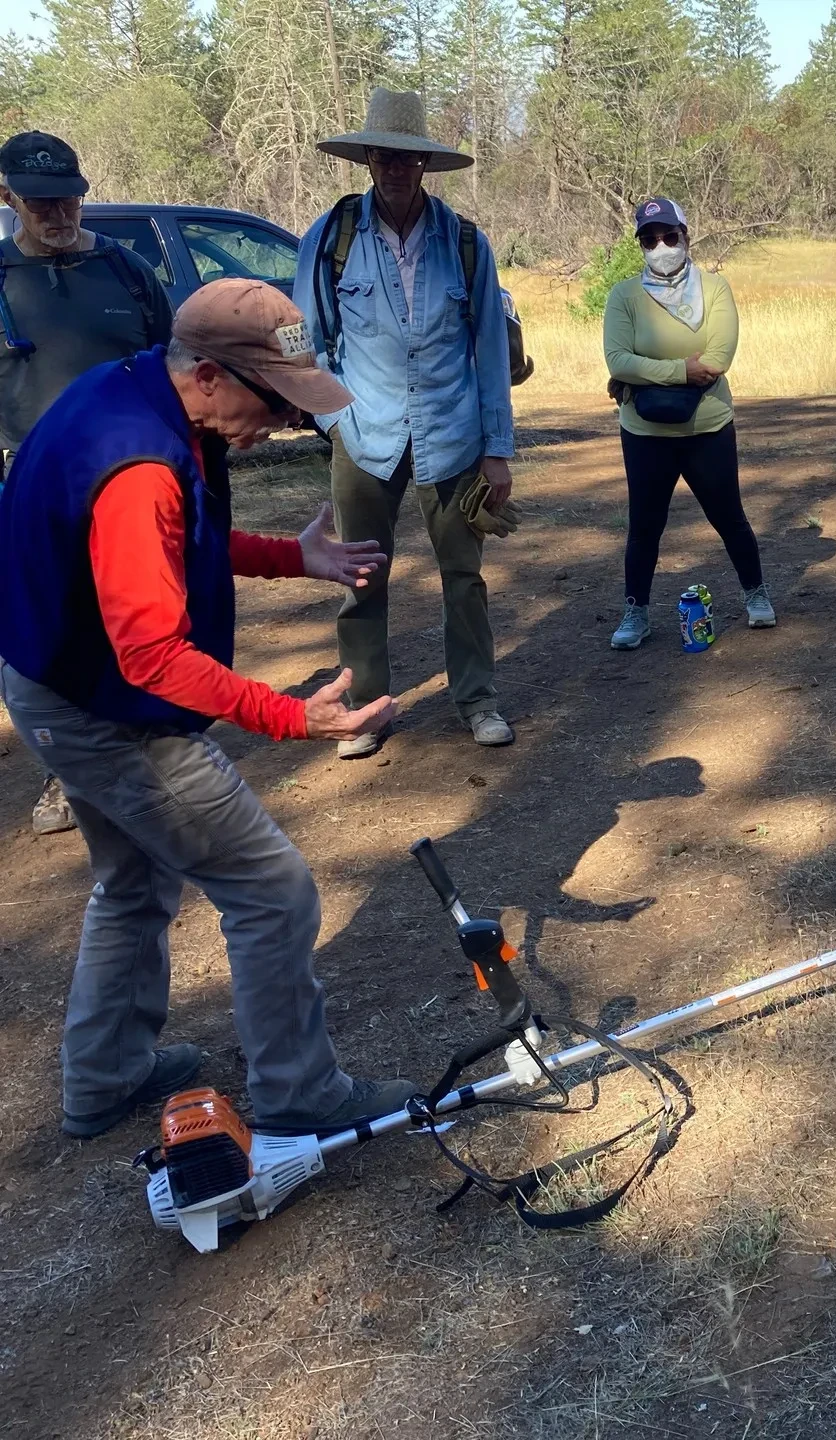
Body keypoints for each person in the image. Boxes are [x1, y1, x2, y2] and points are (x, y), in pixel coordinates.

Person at [0, 278, 413, 1139]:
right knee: (272, 890)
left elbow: (176, 540)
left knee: (133, 880)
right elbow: (150, 656)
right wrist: (292, 717)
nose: (286, 425)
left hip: (54, 686)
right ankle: (302, 1095)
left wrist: (290, 559)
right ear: (213, 378)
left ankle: (105, 1075)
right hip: (103, 711)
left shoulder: (136, 396)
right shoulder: (142, 463)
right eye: (279, 402)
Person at [294, 88, 516, 757]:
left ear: (426, 165)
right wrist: (331, 422)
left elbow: (491, 352)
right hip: (363, 436)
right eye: (384, 155)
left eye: (408, 157)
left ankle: (478, 700)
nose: (395, 168)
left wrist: (497, 449)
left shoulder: (467, 244)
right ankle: (366, 707)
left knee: (464, 576)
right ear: (367, 158)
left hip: (452, 436)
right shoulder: (329, 239)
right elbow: (308, 341)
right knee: (362, 575)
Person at [0, 131, 173, 836]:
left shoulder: (125, 269)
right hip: (35, 488)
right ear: (8, 197)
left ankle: (151, 745)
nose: (57, 212)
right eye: (40, 201)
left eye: (69, 197)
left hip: (131, 478)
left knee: (144, 615)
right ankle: (64, 778)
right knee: (58, 629)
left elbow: (173, 362)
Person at [602, 197, 772, 649]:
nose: (661, 246)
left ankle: (756, 594)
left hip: (708, 427)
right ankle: (635, 612)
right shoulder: (624, 296)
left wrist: (643, 373)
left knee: (729, 516)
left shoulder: (715, 289)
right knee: (644, 526)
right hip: (645, 433)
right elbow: (617, 359)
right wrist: (681, 371)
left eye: (669, 236)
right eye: (650, 239)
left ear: (686, 236)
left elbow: (718, 358)